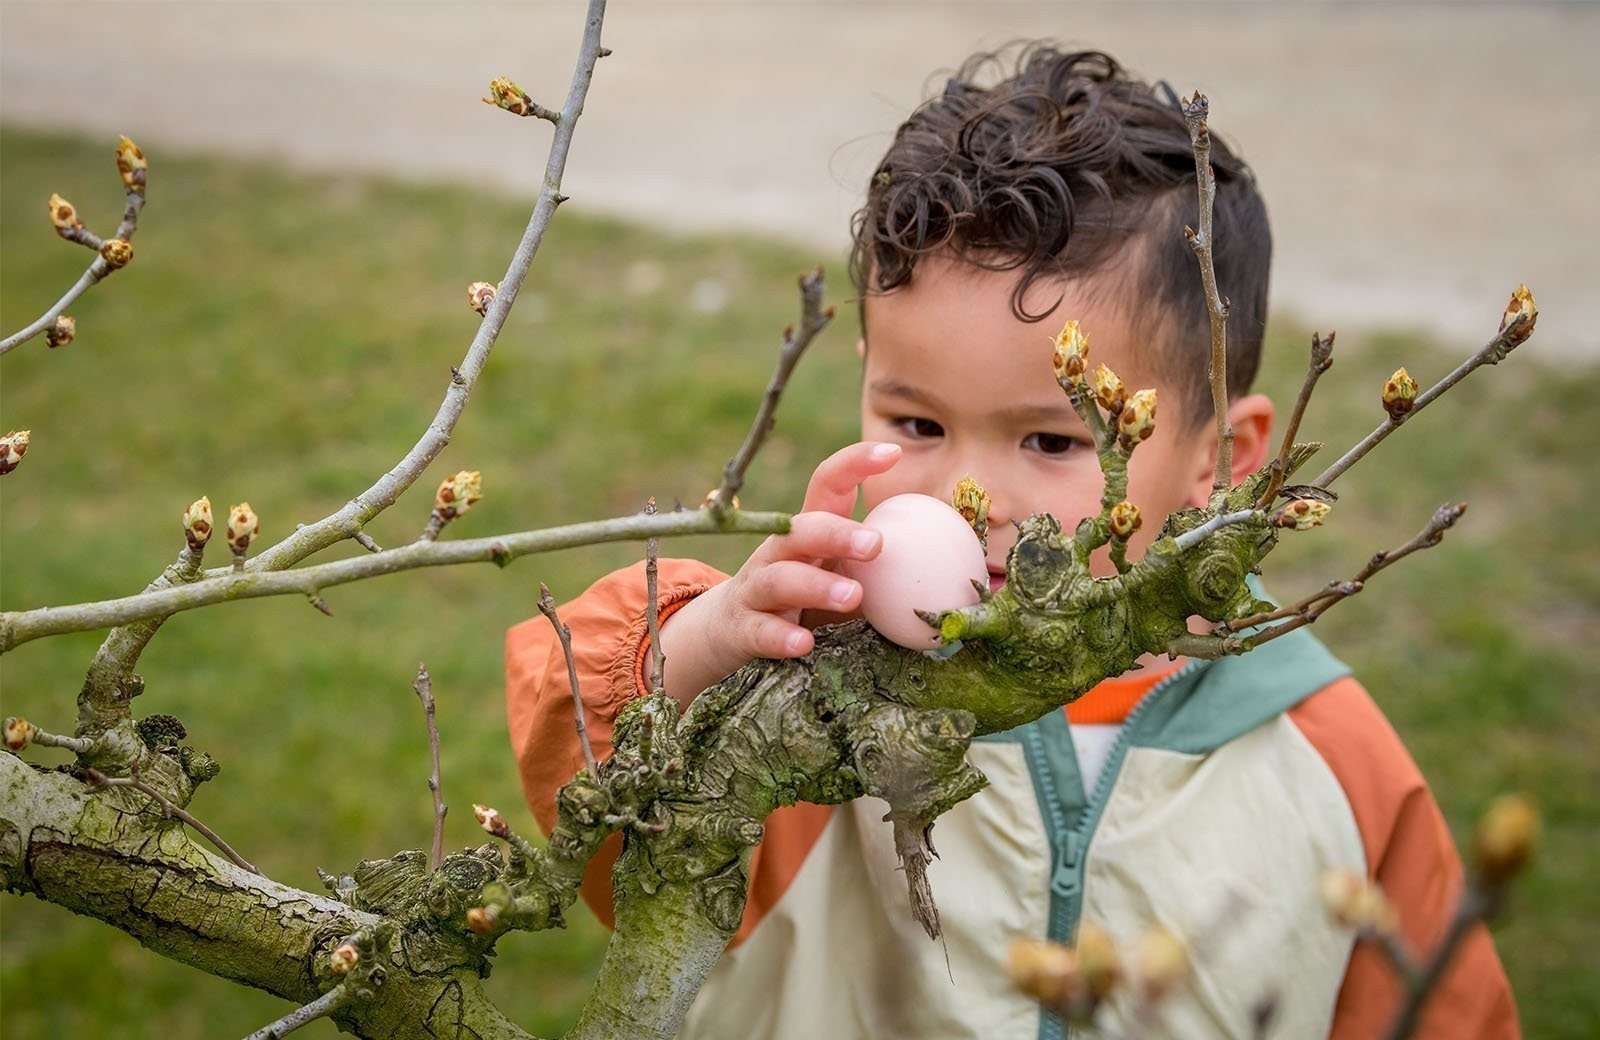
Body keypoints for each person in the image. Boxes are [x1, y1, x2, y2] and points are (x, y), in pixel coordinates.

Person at [505, 46, 1516, 1039]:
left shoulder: (1330, 762)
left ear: (1223, 456)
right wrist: (709, 645)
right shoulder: (816, 699)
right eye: (915, 424)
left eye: (1050, 437)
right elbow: (603, 820)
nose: (963, 492)